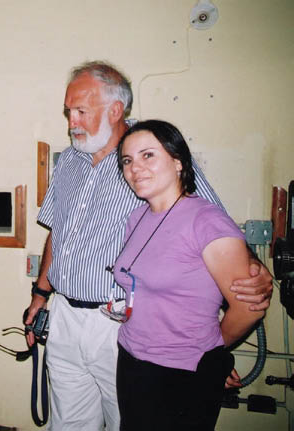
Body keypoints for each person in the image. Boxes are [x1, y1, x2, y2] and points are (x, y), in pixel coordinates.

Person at [24, 61, 272, 431]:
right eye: (68, 111)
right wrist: (41, 294)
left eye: (80, 111)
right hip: (64, 319)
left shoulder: (151, 159)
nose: (71, 121)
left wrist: (256, 271)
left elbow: (212, 226)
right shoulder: (69, 162)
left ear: (115, 110)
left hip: (121, 325)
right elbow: (58, 233)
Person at [113, 120, 264, 430]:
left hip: (183, 371)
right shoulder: (138, 216)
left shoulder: (207, 221)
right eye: (127, 160)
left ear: (178, 162)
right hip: (132, 359)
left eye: (148, 155)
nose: (135, 168)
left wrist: (209, 353)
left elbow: (249, 308)